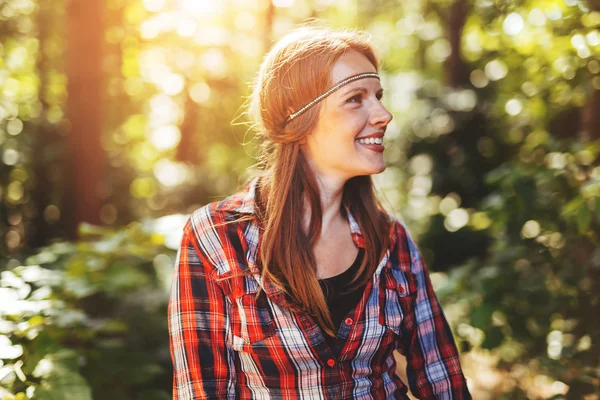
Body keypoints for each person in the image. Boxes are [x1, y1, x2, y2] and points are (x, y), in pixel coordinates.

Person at [168, 25, 471, 399]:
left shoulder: (392, 240)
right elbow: (203, 390)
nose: (384, 114)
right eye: (356, 99)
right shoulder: (215, 236)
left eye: (378, 96)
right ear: (299, 117)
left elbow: (443, 382)